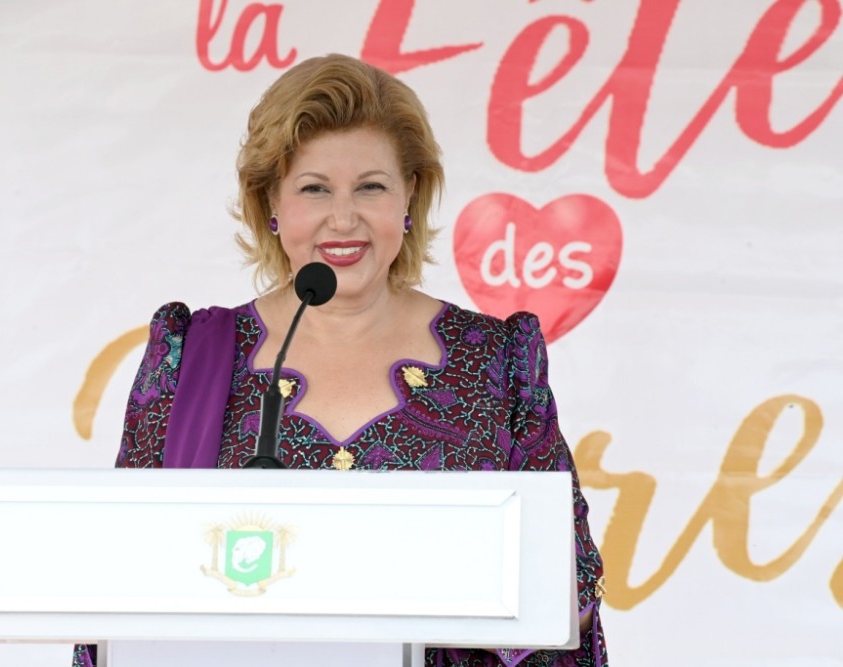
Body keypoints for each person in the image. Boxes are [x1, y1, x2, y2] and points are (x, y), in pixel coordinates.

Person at [74, 53, 607, 667]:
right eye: (315, 188)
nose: (344, 217)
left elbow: (568, 591)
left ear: (410, 195)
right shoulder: (189, 356)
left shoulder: (496, 360)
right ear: (271, 203)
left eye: (371, 186)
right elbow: (121, 583)